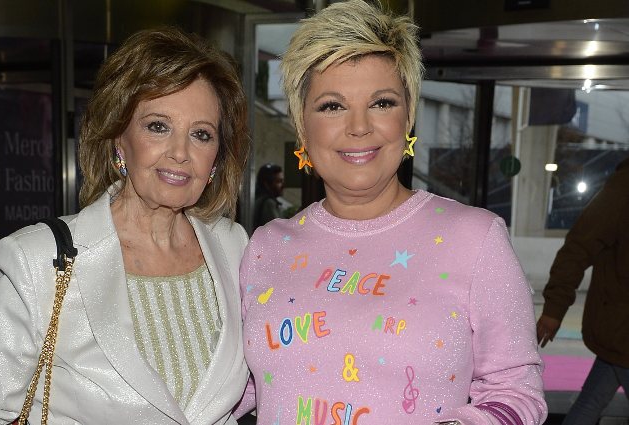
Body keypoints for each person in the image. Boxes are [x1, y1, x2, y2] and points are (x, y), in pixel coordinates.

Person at [233, 1, 547, 424]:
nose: (359, 126)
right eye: (332, 105)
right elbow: (238, 388)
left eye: (382, 103)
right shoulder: (266, 246)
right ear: (302, 125)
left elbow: (516, 393)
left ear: (409, 116)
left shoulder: (475, 239)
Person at [0, 27, 250, 424]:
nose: (181, 153)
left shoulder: (235, 248)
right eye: (157, 126)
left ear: (217, 157)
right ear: (119, 138)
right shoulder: (38, 261)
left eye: (201, 134)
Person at [536, 156, 629, 425]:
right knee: (590, 403)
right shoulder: (623, 189)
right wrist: (555, 308)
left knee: (589, 404)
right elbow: (577, 249)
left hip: (619, 333)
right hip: (622, 329)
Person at [253, 163, 285, 228]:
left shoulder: (261, 200)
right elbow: (279, 229)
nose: (283, 185)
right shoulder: (268, 203)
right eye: (279, 181)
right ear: (266, 184)